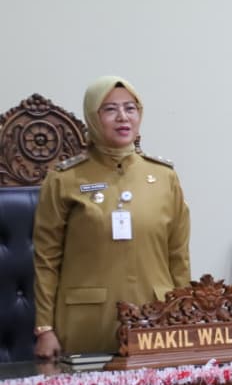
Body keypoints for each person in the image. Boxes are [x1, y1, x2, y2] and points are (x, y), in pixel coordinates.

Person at [32, 77, 191, 358]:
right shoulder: (64, 179)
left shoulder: (164, 177)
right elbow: (46, 260)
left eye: (130, 108)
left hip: (156, 320)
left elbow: (179, 256)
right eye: (110, 109)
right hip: (87, 324)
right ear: (93, 117)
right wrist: (45, 328)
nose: (122, 117)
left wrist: (185, 315)